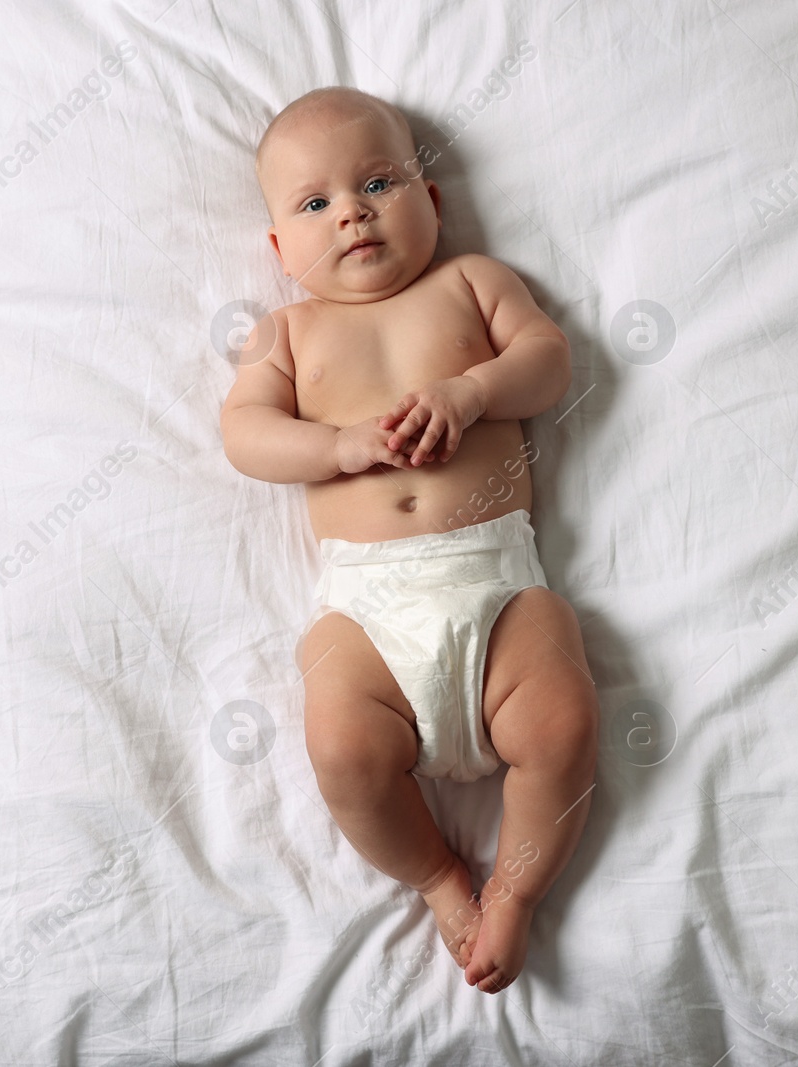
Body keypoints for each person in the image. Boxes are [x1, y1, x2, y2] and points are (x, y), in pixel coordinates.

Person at [220, 86, 598, 994]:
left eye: (378, 182)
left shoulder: (471, 282)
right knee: (341, 749)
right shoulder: (289, 333)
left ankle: (514, 889)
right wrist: (335, 445)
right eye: (314, 204)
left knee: (565, 723)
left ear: (431, 202)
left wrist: (471, 392)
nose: (350, 210)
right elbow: (245, 433)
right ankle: (436, 874)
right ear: (280, 250)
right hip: (368, 608)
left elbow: (549, 360)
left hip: (495, 585)